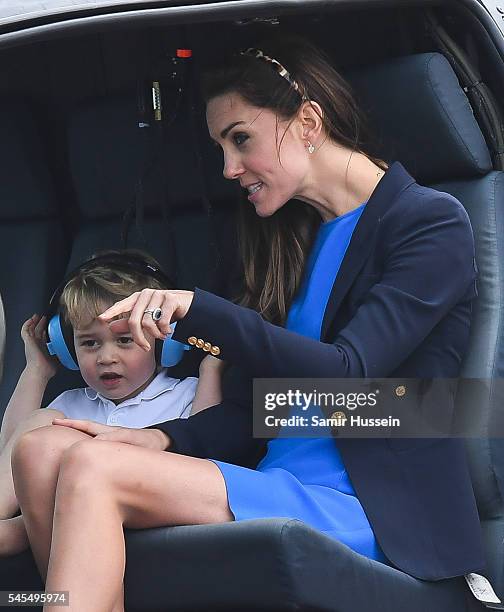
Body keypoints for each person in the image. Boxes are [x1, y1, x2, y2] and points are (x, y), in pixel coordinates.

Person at [11, 36, 484, 612]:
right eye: (221, 149)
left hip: (369, 504)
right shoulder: (289, 243)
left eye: (241, 140)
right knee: (39, 452)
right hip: (273, 478)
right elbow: (258, 411)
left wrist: (198, 310)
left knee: (91, 469)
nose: (230, 169)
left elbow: (349, 376)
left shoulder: (428, 224)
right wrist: (154, 438)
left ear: (308, 120)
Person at [0, 249, 224, 557]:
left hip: (151, 515)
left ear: (164, 341)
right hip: (71, 527)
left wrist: (210, 369)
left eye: (124, 340)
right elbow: (12, 452)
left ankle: (23, 530)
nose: (106, 358)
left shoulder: (187, 394)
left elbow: (209, 450)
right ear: (67, 349)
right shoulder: (69, 404)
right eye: (90, 343)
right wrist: (36, 371)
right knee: (41, 422)